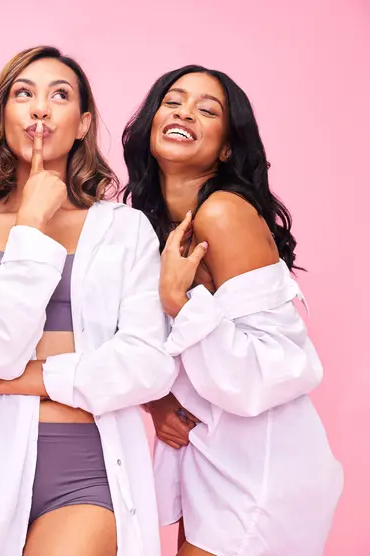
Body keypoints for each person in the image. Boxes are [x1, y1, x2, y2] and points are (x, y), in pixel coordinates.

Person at [0, 46, 176, 556]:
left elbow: (148, 366)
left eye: (59, 95)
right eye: (23, 94)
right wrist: (30, 227)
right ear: (5, 116)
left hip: (88, 469)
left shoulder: (124, 229)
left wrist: (4, 384)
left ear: (84, 123)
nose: (40, 109)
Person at [122, 64, 343, 556]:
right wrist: (156, 402)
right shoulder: (147, 226)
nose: (184, 112)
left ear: (226, 147)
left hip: (263, 465)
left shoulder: (223, 214)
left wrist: (180, 302)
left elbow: (271, 371)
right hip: (207, 457)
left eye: (207, 109)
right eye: (173, 101)